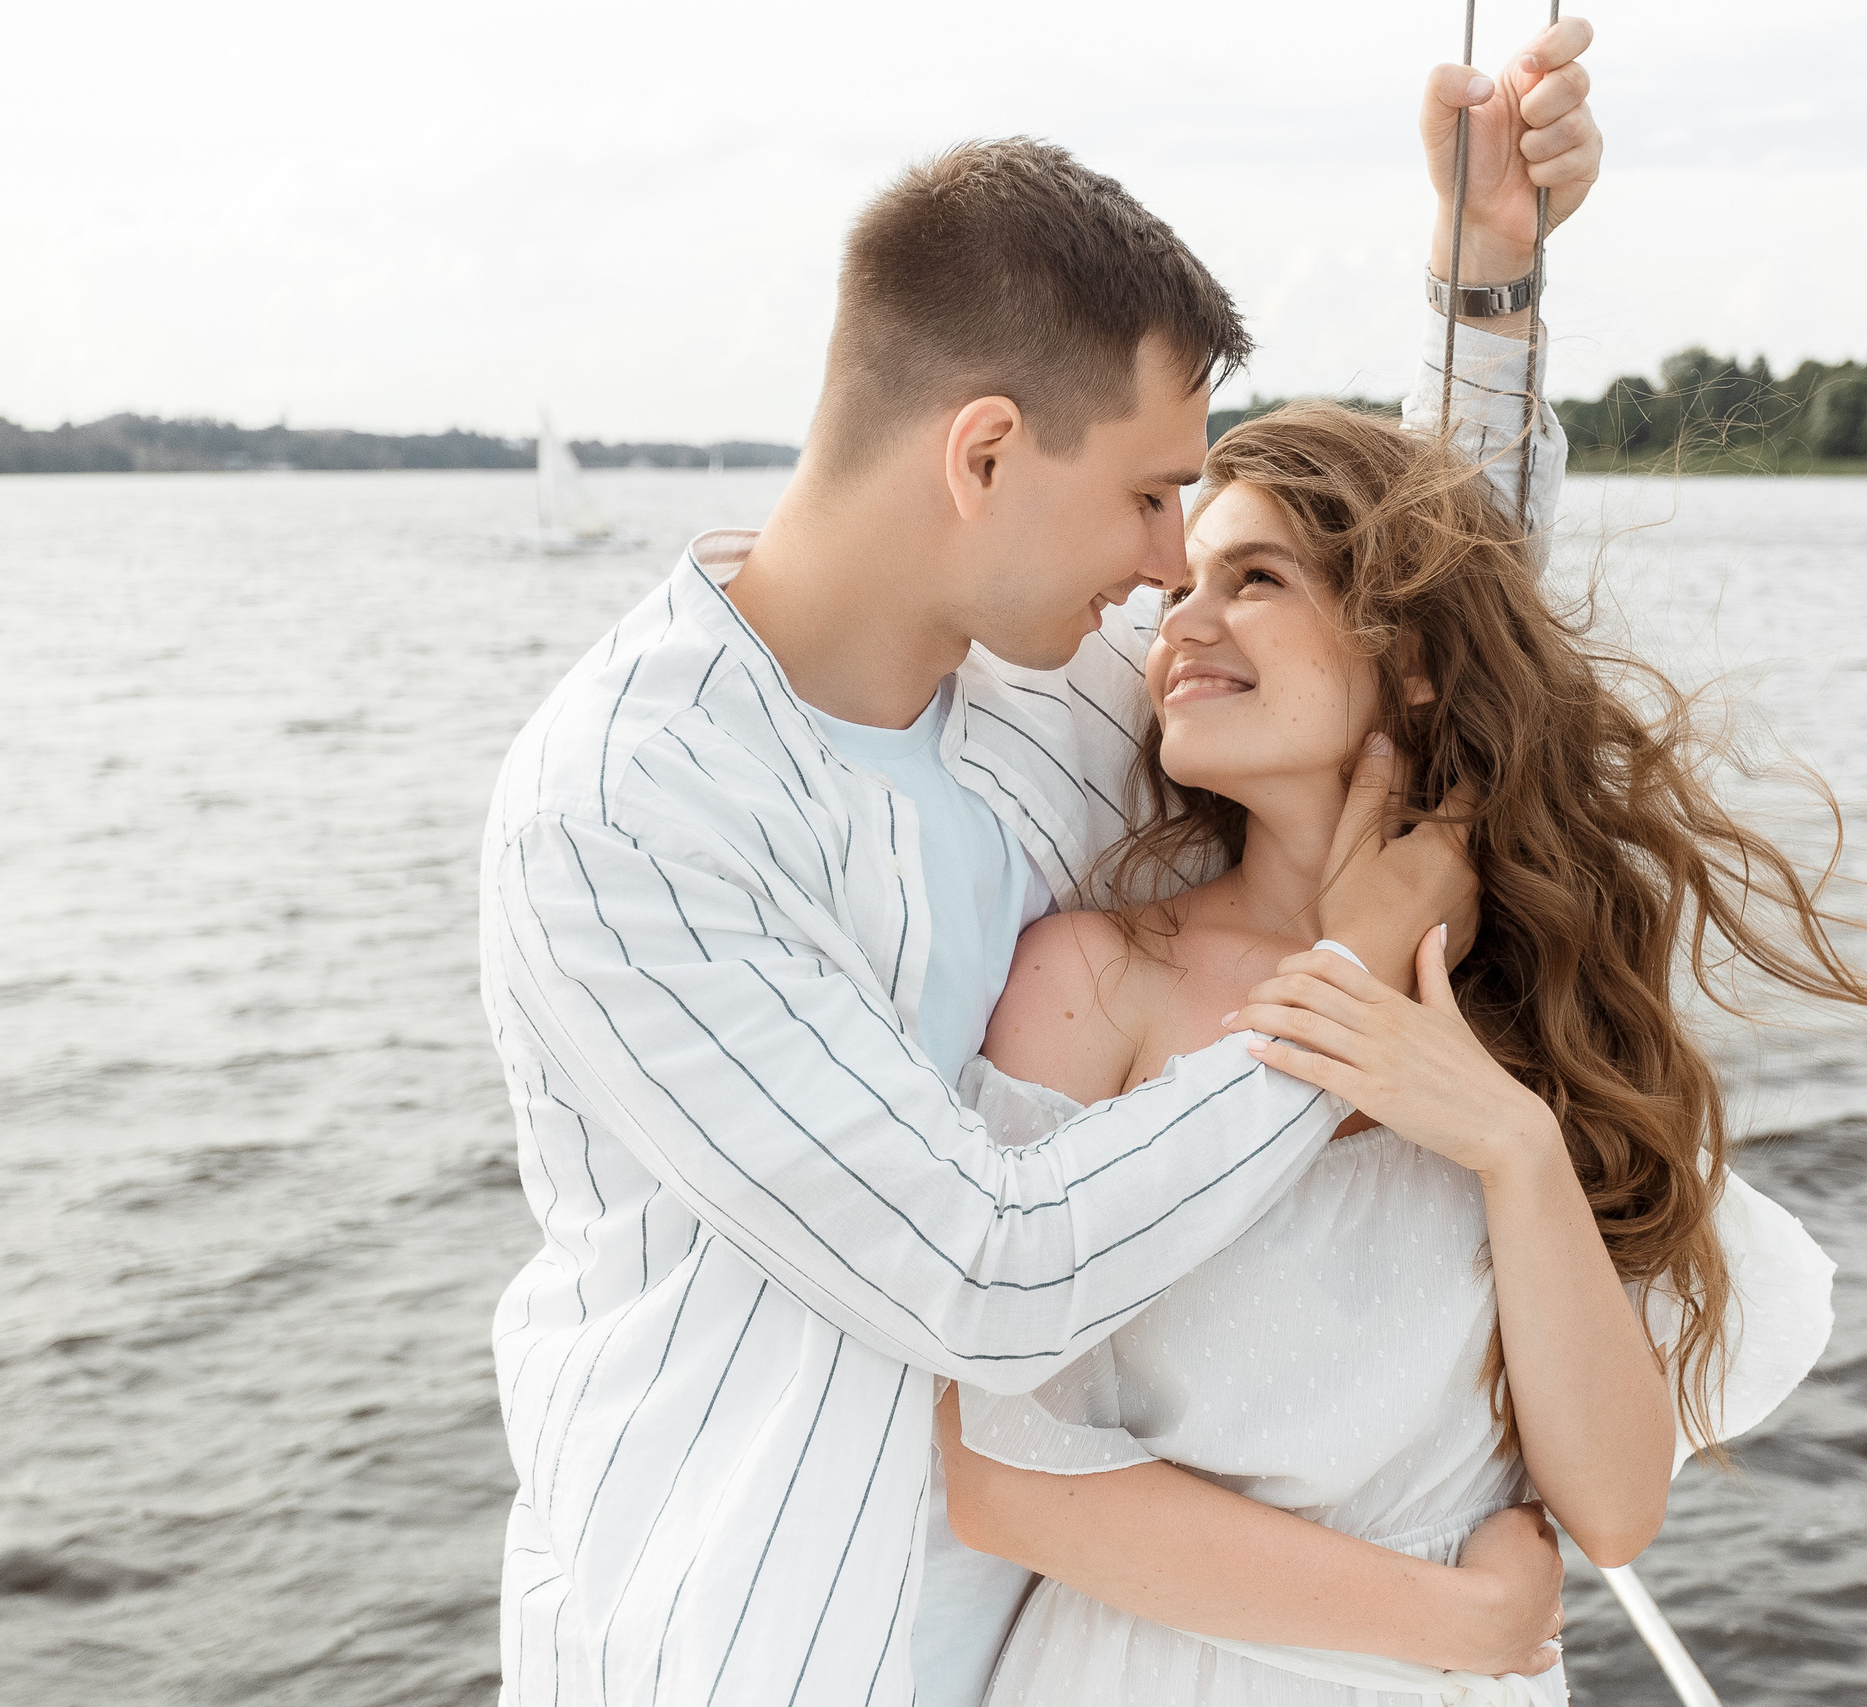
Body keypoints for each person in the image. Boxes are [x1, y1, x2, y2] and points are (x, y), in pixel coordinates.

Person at [478, 21, 1604, 1707]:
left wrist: (1484, 292)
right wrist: (1349, 989)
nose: (1174, 567)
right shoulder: (630, 815)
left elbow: (1405, 647)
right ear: (985, 453)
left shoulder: (1049, 701)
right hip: (753, 1659)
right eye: (1157, 497)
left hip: (1052, 1653)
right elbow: (983, 1279)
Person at [937, 402, 1862, 1704]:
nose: (1180, 626)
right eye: (1181, 587)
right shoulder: (1100, 980)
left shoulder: (1521, 1007)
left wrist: (1513, 1144)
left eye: (1253, 580)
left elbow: (1609, 1509)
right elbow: (1000, 1481)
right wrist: (1457, 1619)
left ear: (1415, 659)